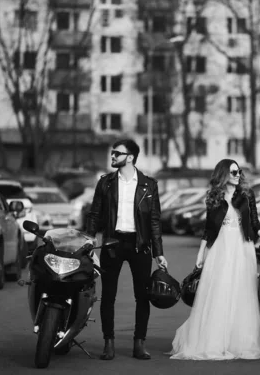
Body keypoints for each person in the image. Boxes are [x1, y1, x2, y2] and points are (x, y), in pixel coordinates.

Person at [169, 158, 260, 360]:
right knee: (219, 290)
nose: (237, 175)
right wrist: (201, 253)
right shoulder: (214, 196)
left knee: (244, 292)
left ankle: (240, 342)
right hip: (221, 247)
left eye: (239, 172)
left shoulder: (246, 194)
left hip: (243, 247)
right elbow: (209, 228)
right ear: (223, 174)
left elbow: (254, 222)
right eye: (233, 172)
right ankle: (215, 340)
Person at [86, 139, 168, 361]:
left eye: (116, 153)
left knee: (142, 296)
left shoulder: (149, 185)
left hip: (139, 245)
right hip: (112, 244)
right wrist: (89, 241)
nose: (112, 156)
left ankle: (139, 344)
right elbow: (94, 214)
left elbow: (154, 220)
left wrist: (158, 252)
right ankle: (108, 343)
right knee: (108, 296)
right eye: (112, 153)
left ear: (130, 157)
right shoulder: (105, 183)